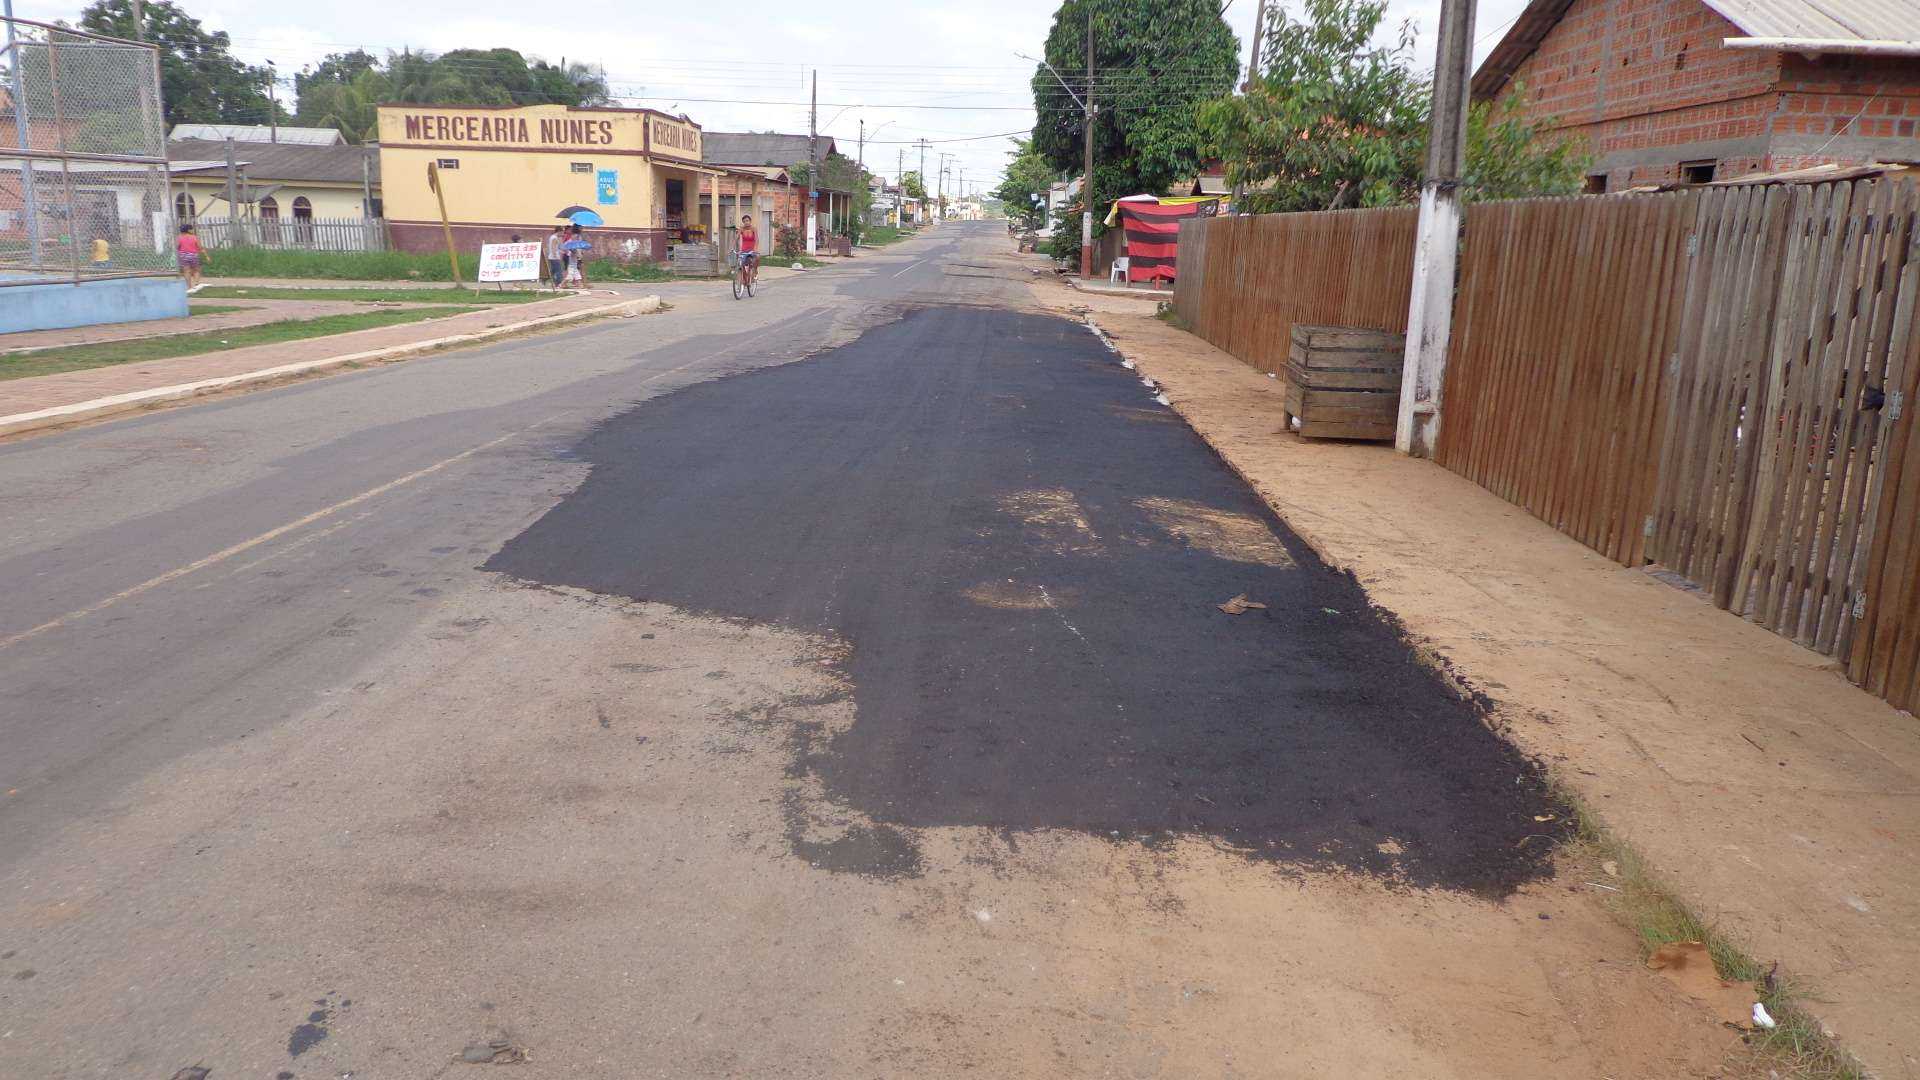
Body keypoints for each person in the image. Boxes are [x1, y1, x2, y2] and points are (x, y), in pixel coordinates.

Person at [176, 223, 204, 292]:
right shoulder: (194, 237)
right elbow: (199, 247)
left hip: (183, 256)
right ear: (188, 230)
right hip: (193, 255)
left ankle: (189, 287)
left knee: (186, 271)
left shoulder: (179, 237)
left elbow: (177, 246)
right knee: (196, 270)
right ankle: (196, 283)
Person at [736, 213, 759, 290]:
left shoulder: (754, 229)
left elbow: (756, 239)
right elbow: (736, 238)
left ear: (750, 221)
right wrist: (732, 248)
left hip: (752, 249)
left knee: (757, 257)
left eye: (748, 220)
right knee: (741, 263)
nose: (746, 222)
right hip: (744, 250)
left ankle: (755, 271)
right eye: (745, 221)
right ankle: (745, 279)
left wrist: (755, 249)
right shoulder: (741, 229)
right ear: (743, 222)